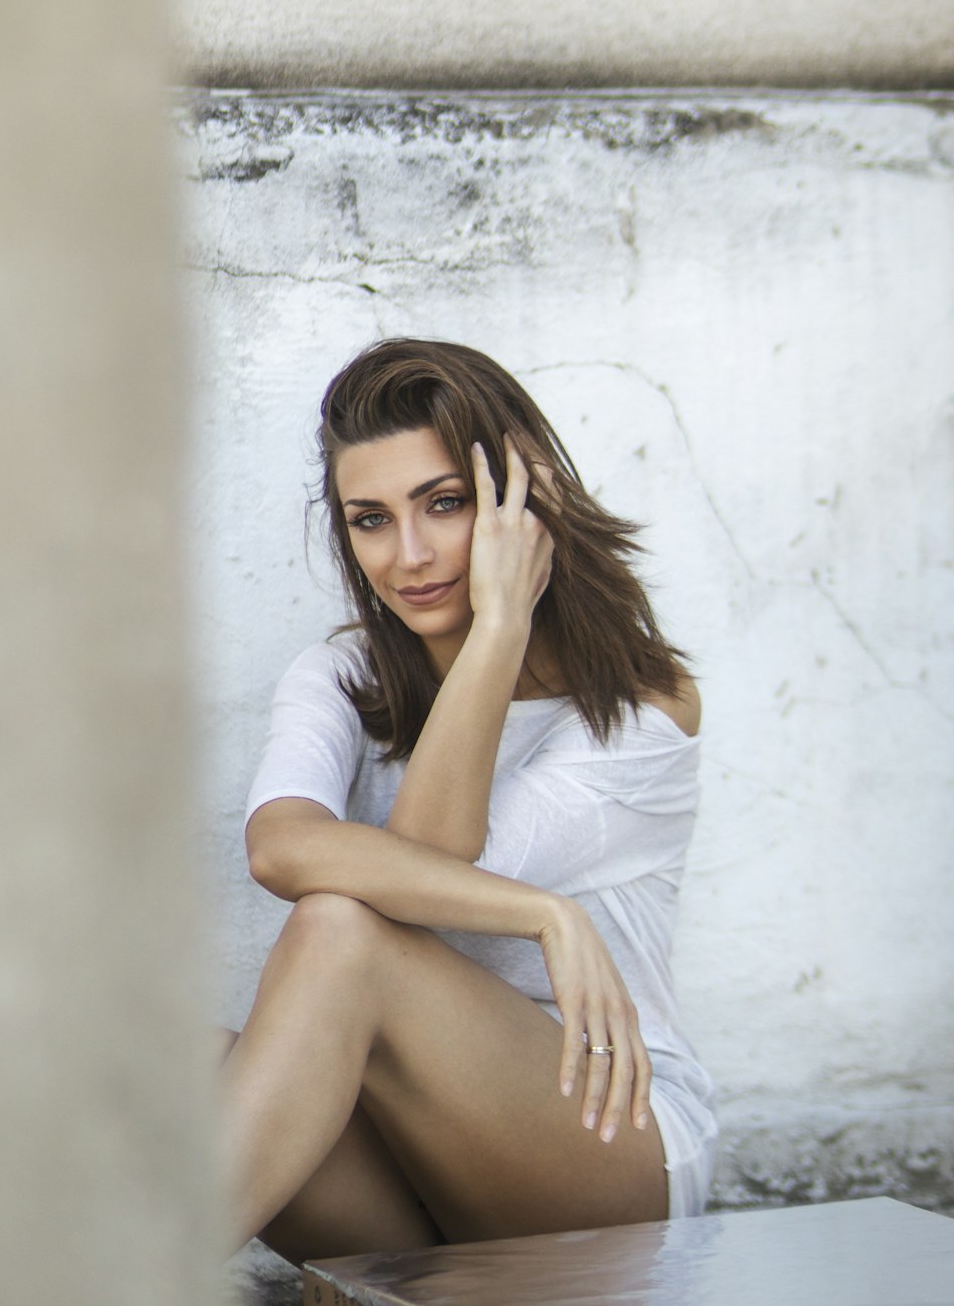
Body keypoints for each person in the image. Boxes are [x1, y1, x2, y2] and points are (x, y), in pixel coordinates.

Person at [219, 337, 717, 1265]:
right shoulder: (339, 675)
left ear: (523, 503)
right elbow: (280, 847)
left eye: (443, 505)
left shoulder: (641, 709)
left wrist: (499, 629)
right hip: (414, 1174)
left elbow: (432, 860)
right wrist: (544, 915)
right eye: (370, 520)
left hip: (614, 1149)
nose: (408, 556)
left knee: (343, 930)